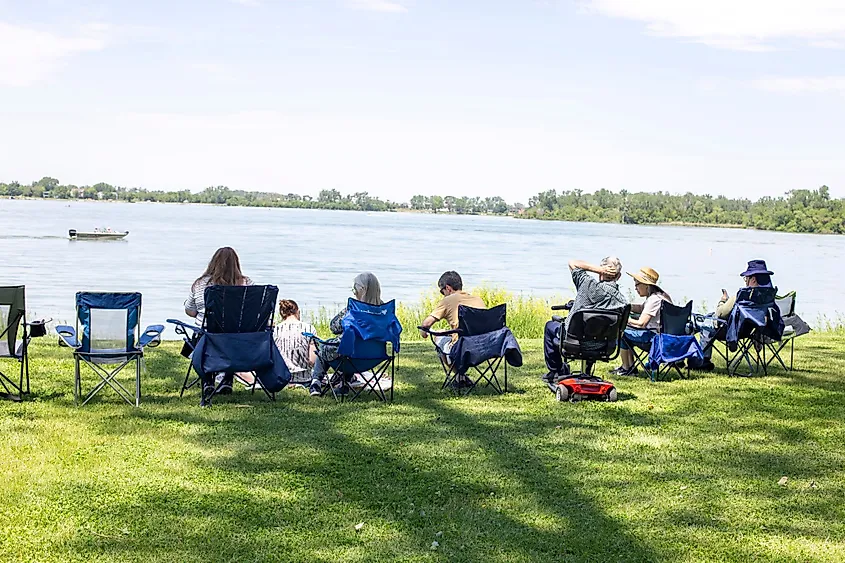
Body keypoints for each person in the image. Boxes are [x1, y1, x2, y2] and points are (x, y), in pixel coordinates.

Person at [543, 257, 627, 383]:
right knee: (596, 331)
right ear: (619, 276)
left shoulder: (587, 284)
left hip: (573, 343)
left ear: (601, 273)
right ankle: (587, 370)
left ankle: (556, 371)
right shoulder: (622, 302)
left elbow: (573, 263)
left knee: (550, 326)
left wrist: (598, 269)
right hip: (604, 347)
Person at [184, 247, 252, 398]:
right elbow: (251, 311)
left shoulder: (200, 284)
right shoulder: (246, 283)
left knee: (206, 334)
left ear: (213, 262)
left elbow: (190, 311)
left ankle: (208, 382)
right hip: (238, 339)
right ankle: (227, 380)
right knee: (230, 336)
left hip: (207, 338)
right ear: (236, 264)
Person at [309, 272, 384, 397]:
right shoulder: (384, 311)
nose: (354, 292)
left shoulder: (353, 309)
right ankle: (344, 384)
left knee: (326, 345)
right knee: (350, 344)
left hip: (350, 358)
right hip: (374, 357)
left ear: (362, 290)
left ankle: (316, 382)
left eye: (355, 288)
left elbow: (334, 326)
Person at [692, 259, 775, 370]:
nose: (745, 281)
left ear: (753, 279)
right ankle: (698, 359)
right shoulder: (767, 296)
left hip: (727, 331)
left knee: (692, 323)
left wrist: (723, 300)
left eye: (747, 278)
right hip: (746, 331)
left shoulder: (742, 295)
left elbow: (721, 313)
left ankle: (695, 360)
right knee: (706, 320)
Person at [418, 271, 486, 388]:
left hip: (461, 349)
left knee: (438, 335)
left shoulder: (448, 301)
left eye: (442, 291)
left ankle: (460, 377)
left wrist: (423, 332)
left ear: (448, 288)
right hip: (484, 347)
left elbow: (426, 324)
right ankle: (462, 378)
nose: (442, 294)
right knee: (453, 335)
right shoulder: (478, 300)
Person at [613, 267, 672, 376]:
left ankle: (627, 368)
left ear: (646, 285)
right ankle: (630, 367)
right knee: (627, 331)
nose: (635, 288)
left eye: (637, 284)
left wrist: (624, 320)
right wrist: (627, 307)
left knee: (620, 332)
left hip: (653, 340)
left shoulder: (653, 300)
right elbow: (643, 308)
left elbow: (641, 324)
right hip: (666, 338)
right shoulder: (662, 296)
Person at [273, 299, 316, 388]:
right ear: (298, 312)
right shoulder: (309, 329)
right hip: (304, 378)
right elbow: (312, 361)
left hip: (281, 378)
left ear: (282, 314)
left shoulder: (276, 330)